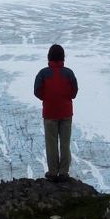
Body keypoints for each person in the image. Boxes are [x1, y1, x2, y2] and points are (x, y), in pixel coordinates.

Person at [34, 44, 78, 181]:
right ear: (63, 57)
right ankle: (64, 172)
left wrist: (47, 99)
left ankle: (53, 172)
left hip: (50, 113)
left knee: (51, 143)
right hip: (66, 113)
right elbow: (74, 91)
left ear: (49, 57)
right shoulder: (69, 73)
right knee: (65, 143)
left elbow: (37, 91)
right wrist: (65, 98)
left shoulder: (43, 73)